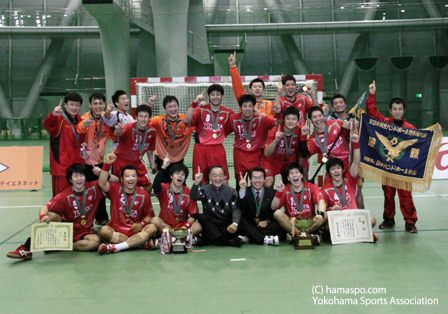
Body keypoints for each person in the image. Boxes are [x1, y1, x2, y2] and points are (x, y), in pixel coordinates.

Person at [7, 164, 105, 260]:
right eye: (76, 176)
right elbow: (45, 207)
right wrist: (42, 216)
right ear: (71, 180)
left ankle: (60, 246)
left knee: (95, 242)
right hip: (67, 230)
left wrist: (101, 171)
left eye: (81, 175)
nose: (79, 179)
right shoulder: (64, 195)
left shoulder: (93, 188)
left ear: (85, 177)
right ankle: (26, 248)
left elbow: (111, 181)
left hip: (85, 232)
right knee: (50, 215)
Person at [366, 81, 418, 233]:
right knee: (388, 196)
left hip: (403, 171)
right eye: (394, 109)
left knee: (406, 196)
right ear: (390, 110)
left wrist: (436, 132)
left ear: (404, 111)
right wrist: (372, 94)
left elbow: (420, 143)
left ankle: (410, 222)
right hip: (388, 168)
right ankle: (389, 219)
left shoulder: (410, 129)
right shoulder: (384, 124)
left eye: (399, 109)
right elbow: (372, 112)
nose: (397, 112)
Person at [321, 133, 377, 241]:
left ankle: (349, 234)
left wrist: (356, 143)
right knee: (328, 227)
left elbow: (356, 163)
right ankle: (360, 234)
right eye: (333, 169)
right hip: (339, 219)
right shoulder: (325, 189)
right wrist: (331, 209)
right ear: (329, 172)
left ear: (342, 170)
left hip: (353, 216)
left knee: (372, 220)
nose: (336, 171)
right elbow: (324, 209)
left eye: (338, 168)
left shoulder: (349, 180)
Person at [97, 153, 157, 254]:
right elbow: (101, 183)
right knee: (104, 230)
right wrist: (107, 164)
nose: (130, 179)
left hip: (136, 231)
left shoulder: (143, 194)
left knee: (152, 228)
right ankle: (140, 243)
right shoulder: (115, 189)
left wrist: (142, 224)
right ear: (122, 179)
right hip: (117, 231)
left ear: (137, 179)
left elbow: (149, 214)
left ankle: (116, 247)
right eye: (127, 176)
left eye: (133, 176)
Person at [184, 84, 235, 185]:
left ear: (222, 96)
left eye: (218, 94)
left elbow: (233, 127)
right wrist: (194, 103)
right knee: (203, 183)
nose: (215, 97)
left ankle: (224, 201)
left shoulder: (228, 112)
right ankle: (206, 201)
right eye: (212, 94)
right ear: (208, 96)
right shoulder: (201, 109)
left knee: (224, 182)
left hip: (218, 149)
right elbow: (186, 120)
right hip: (201, 150)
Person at [77, 92, 115, 225]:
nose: (98, 106)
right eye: (95, 103)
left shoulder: (106, 119)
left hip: (100, 162)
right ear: (90, 104)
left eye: (100, 103)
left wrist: (117, 129)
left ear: (104, 104)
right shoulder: (84, 118)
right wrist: (84, 125)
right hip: (86, 164)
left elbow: (113, 135)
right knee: (87, 194)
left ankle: (101, 219)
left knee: (101, 193)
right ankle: (85, 222)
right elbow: (79, 130)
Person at [226, 94, 277, 186]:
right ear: (241, 107)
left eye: (250, 106)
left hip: (256, 155)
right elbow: (222, 130)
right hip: (239, 155)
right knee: (240, 183)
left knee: (256, 183)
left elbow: (278, 122)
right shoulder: (233, 119)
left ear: (253, 107)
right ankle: (241, 200)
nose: (247, 109)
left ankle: (256, 200)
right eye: (244, 106)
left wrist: (278, 112)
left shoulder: (262, 119)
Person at [271, 163, 326, 244]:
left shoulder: (311, 187)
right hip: (292, 224)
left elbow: (321, 201)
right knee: (277, 213)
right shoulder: (285, 190)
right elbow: (273, 207)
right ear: (288, 178)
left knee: (326, 214)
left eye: (297, 172)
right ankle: (302, 235)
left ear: (302, 175)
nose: (294, 175)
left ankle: (303, 234)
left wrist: (321, 214)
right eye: (291, 173)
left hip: (310, 223)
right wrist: (279, 192)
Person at [43, 92, 85, 196]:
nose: (74, 107)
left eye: (77, 105)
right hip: (61, 168)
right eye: (71, 104)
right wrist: (53, 115)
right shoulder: (58, 119)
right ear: (65, 104)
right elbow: (47, 125)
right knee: (60, 199)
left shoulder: (81, 121)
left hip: (77, 168)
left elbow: (82, 142)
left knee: (75, 198)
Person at [191, 166, 244, 247]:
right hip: (210, 224)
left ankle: (209, 240)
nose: (218, 178)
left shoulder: (232, 191)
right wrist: (196, 183)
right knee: (202, 217)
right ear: (210, 177)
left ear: (224, 177)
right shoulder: (204, 189)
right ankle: (226, 241)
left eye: (220, 175)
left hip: (225, 225)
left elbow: (235, 209)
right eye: (214, 175)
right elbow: (193, 196)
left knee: (240, 224)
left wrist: (234, 224)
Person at [151, 155, 201, 238]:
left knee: (198, 226)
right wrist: (163, 167)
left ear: (185, 178)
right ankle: (181, 239)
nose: (180, 176)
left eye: (182, 174)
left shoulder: (188, 192)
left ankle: (171, 239)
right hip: (166, 226)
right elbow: (155, 187)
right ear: (171, 176)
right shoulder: (164, 188)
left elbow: (194, 215)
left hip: (182, 227)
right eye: (177, 173)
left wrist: (185, 227)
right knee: (154, 220)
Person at [150, 95, 195, 183]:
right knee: (163, 186)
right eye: (170, 106)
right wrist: (150, 106)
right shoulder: (159, 121)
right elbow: (144, 122)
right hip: (162, 158)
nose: (173, 109)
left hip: (178, 159)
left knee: (180, 185)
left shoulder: (186, 120)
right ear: (165, 109)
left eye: (175, 106)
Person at [113, 105, 156, 192]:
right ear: (136, 117)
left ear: (149, 118)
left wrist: (152, 164)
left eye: (145, 116)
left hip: (137, 162)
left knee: (148, 187)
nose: (143, 119)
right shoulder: (128, 128)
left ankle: (144, 205)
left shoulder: (152, 131)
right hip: (121, 162)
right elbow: (117, 134)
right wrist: (117, 131)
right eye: (140, 116)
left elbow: (149, 149)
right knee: (119, 189)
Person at [300, 107, 351, 176]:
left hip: (350, 166)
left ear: (323, 116)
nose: (318, 119)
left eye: (320, 116)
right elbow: (305, 154)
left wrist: (350, 127)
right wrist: (303, 135)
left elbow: (353, 137)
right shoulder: (313, 140)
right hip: (333, 170)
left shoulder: (337, 124)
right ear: (310, 120)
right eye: (314, 117)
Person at [237, 167, 281, 245]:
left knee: (277, 225)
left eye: (260, 178)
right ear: (250, 180)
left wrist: (266, 221)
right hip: (250, 223)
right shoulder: (244, 191)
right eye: (254, 178)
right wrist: (242, 189)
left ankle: (250, 236)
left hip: (264, 224)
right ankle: (264, 239)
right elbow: (240, 206)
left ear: (264, 180)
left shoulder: (272, 192)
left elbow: (274, 211)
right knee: (241, 222)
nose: (257, 180)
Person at [262, 106, 302, 188]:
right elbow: (266, 154)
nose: (290, 121)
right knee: (268, 183)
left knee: (292, 183)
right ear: (283, 119)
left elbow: (303, 153)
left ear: (298, 120)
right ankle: (268, 200)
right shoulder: (275, 131)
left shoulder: (300, 131)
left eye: (294, 119)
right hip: (272, 161)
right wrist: (276, 140)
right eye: (288, 119)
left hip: (289, 161)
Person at [228, 51, 275, 117]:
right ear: (250, 89)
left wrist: (262, 116)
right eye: (255, 86)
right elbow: (237, 86)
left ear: (263, 90)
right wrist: (233, 67)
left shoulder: (269, 104)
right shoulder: (244, 100)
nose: (257, 88)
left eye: (260, 87)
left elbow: (273, 121)